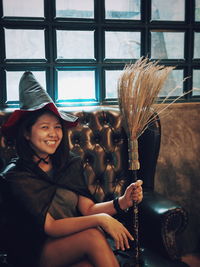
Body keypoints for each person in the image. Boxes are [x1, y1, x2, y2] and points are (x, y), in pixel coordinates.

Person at [1, 72, 143, 267]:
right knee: (92, 237)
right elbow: (51, 227)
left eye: (57, 127)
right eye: (44, 127)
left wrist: (123, 202)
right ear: (27, 132)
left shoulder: (70, 163)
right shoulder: (15, 176)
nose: (53, 134)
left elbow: (88, 209)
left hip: (69, 244)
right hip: (32, 252)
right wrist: (100, 220)